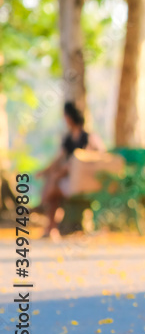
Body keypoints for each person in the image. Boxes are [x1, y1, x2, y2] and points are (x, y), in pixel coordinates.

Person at [39, 102, 105, 239]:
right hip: (68, 178)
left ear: (70, 117)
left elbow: (87, 158)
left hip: (83, 181)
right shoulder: (68, 138)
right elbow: (59, 158)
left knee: (55, 185)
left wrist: (64, 169)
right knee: (54, 190)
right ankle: (50, 227)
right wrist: (46, 170)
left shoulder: (88, 137)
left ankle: (47, 219)